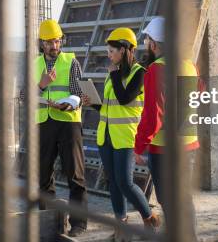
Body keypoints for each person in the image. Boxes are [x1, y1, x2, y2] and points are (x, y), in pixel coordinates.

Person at [134, 17, 201, 237]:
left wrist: (138, 146)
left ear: (154, 44)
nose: (146, 43)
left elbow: (153, 116)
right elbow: (198, 94)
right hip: (188, 143)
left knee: (168, 200)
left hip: (164, 149)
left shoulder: (156, 69)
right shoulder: (189, 65)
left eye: (147, 40)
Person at [97, 28, 160, 238]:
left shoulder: (140, 73)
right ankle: (121, 223)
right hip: (105, 135)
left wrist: (114, 74)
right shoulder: (113, 74)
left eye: (112, 50)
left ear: (124, 50)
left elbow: (124, 98)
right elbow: (111, 105)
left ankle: (149, 217)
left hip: (125, 136)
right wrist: (94, 104)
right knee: (113, 182)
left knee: (125, 182)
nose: (109, 55)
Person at [35, 19, 89, 237]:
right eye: (49, 42)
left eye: (57, 41)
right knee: (43, 176)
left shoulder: (70, 61)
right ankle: (47, 220)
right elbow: (23, 96)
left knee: (75, 175)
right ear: (41, 44)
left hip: (68, 123)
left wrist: (72, 102)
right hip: (44, 123)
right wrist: (42, 84)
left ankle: (78, 223)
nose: (55, 46)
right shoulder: (35, 64)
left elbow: (79, 92)